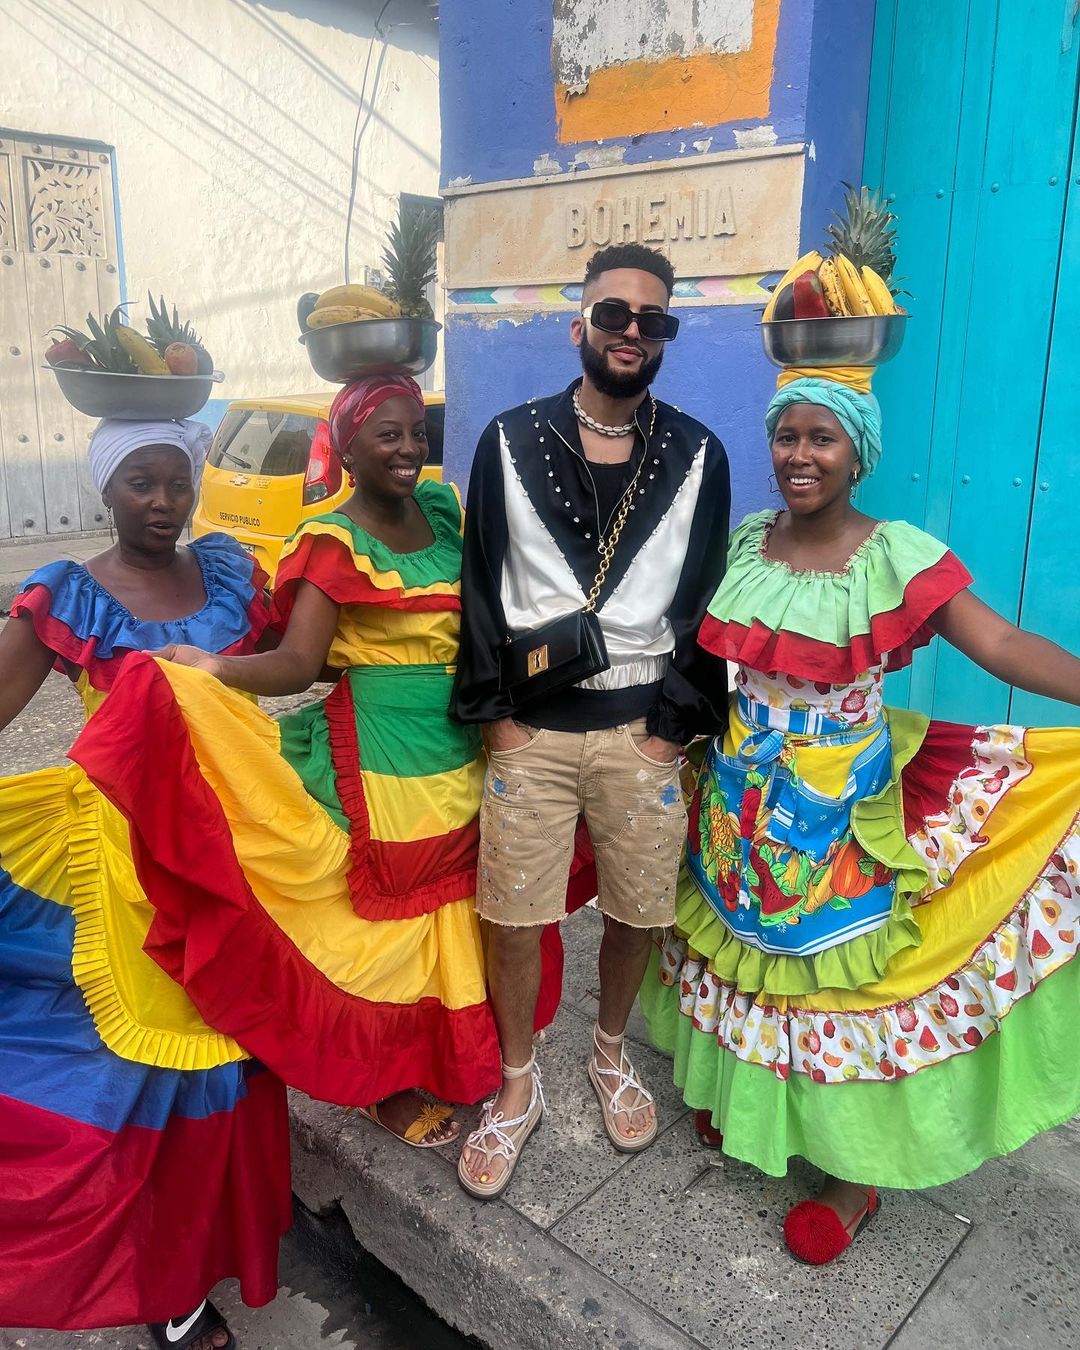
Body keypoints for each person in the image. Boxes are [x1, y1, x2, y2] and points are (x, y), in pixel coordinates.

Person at [639, 375, 1080, 1265]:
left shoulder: (895, 556)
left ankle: (852, 1173)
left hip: (843, 809)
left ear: (858, 455)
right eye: (787, 436)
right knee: (742, 952)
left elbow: (1000, 644)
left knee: (837, 977)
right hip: (740, 794)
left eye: (823, 439)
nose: (799, 456)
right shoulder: (748, 544)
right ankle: (750, 1103)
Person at [71, 375, 572, 1153]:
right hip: (382, 762)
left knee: (458, 908)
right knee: (383, 929)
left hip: (463, 746)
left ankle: (451, 1057)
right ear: (346, 450)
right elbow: (300, 663)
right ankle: (381, 1085)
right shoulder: (330, 540)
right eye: (387, 436)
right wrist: (214, 669)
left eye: (416, 434)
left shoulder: (443, 512)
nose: (408, 450)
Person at [0, 419, 289, 1350]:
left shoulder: (232, 573)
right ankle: (168, 1285)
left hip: (236, 849)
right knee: (155, 1065)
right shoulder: (70, 595)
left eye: (177, 482)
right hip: (128, 869)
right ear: (106, 490)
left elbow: (306, 652)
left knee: (234, 1053)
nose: (163, 503)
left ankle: (207, 1246)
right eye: (139, 484)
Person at [451, 242, 731, 1198]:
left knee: (637, 911)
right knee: (512, 915)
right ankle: (517, 1081)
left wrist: (671, 731)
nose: (631, 332)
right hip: (530, 731)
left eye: (653, 320)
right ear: (582, 324)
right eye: (615, 314)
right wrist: (497, 721)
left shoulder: (698, 453)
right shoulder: (508, 439)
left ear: (665, 337)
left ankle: (608, 1051)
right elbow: (480, 585)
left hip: (640, 731)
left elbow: (704, 603)